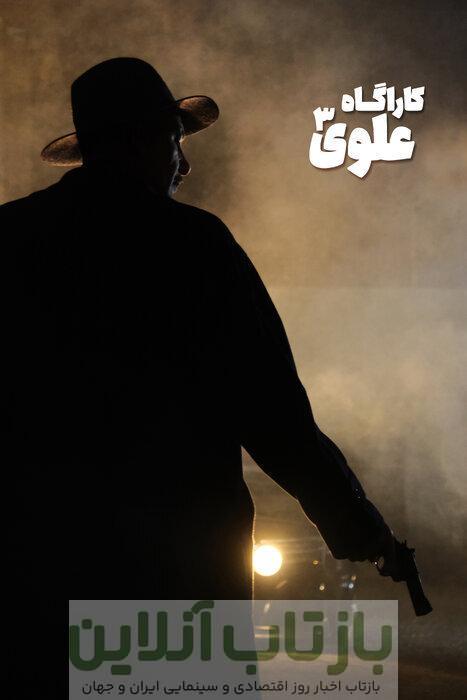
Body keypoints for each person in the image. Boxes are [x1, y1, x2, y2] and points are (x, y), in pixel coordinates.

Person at [2, 57, 395, 692]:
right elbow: (271, 411)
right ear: (145, 140)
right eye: (174, 141)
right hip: (173, 572)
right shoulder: (194, 245)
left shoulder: (10, 238)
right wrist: (356, 524)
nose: (183, 165)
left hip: (36, 576)